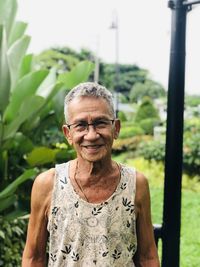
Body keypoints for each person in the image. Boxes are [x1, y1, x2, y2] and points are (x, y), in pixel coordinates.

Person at [22, 82, 160, 267]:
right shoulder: (47, 184)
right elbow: (34, 258)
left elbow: (147, 256)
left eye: (100, 123)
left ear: (116, 128)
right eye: (80, 125)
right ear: (68, 133)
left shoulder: (136, 183)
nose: (92, 135)